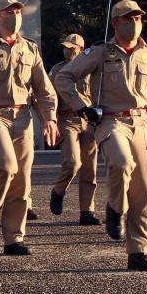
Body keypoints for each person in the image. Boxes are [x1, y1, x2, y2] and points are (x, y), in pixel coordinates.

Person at [55, 0, 147, 271]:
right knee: (121, 162)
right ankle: (115, 207)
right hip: (111, 121)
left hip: (142, 122)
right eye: (128, 18)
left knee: (143, 190)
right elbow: (64, 78)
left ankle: (139, 250)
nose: (134, 23)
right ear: (115, 22)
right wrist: (83, 107)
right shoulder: (100, 51)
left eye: (138, 18)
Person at [0, 0, 59, 256]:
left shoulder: (29, 49)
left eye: (18, 11)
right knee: (6, 166)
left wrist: (50, 118)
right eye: (9, 11)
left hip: (23, 117)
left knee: (22, 180)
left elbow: (43, 88)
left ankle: (13, 239)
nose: (15, 15)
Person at [47, 34, 101, 226]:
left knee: (89, 168)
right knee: (72, 162)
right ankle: (58, 191)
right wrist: (50, 120)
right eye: (65, 47)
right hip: (66, 118)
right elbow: (49, 97)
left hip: (88, 121)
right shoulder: (57, 70)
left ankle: (87, 211)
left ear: (81, 48)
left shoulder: (91, 68)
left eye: (72, 48)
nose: (67, 50)